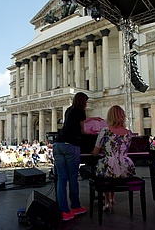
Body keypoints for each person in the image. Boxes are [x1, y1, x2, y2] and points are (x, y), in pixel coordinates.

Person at [53, 92, 99, 221]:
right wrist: (94, 132)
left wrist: (92, 118)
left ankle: (64, 211)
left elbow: (72, 123)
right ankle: (75, 206)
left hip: (57, 144)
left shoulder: (69, 110)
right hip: (71, 145)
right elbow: (83, 130)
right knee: (73, 178)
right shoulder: (80, 111)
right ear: (83, 102)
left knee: (61, 178)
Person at [92, 105, 135, 212]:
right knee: (115, 167)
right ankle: (112, 198)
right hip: (125, 167)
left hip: (109, 167)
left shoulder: (105, 131)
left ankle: (107, 201)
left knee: (106, 168)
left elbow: (95, 153)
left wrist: (100, 151)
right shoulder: (128, 133)